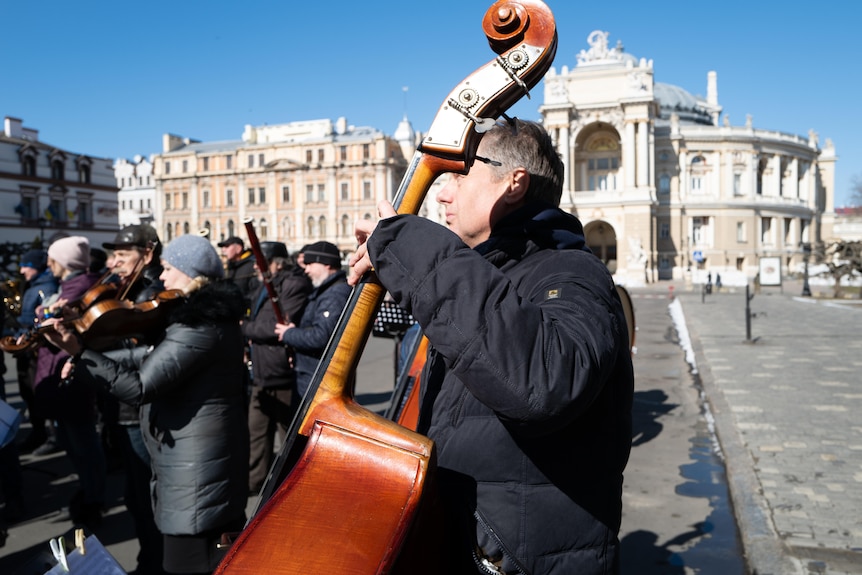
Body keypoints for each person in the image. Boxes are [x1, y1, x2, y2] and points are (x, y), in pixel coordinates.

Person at [348, 119, 634, 574]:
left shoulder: (573, 273)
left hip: (516, 560)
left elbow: (543, 383)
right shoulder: (492, 273)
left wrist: (416, 247)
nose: (442, 193)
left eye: (459, 175)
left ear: (513, 183)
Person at [46, 234, 250, 575]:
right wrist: (94, 357)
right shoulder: (205, 320)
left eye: (169, 269)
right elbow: (152, 355)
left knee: (187, 564)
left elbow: (141, 386)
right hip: (202, 462)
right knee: (213, 559)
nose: (163, 277)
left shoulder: (198, 325)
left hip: (196, 470)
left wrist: (80, 354)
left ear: (192, 273)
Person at [100, 223, 166, 574]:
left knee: (145, 495)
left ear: (147, 253)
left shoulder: (149, 293)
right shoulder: (125, 288)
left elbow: (147, 356)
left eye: (122, 254)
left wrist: (90, 355)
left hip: (137, 408)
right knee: (135, 494)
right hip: (122, 405)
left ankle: (152, 563)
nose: (115, 262)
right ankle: (149, 559)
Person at [34, 236, 106, 527]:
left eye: (52, 259)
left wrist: (45, 318)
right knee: (75, 439)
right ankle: (89, 494)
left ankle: (93, 498)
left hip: (70, 373)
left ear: (63, 262)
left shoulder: (78, 289)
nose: (48, 265)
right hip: (64, 372)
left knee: (83, 442)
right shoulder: (68, 288)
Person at [242, 241, 312, 493]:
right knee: (257, 432)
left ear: (276, 263)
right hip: (261, 369)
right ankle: (255, 482)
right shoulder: (264, 284)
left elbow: (275, 327)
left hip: (281, 370)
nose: (255, 267)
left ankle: (293, 485)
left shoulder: (293, 284)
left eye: (261, 261)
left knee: (288, 434)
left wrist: (245, 329)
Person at [274, 241, 351, 398]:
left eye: (310, 264)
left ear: (326, 264)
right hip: (311, 373)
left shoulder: (335, 294)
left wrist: (289, 334)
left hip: (317, 378)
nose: (306, 270)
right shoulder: (326, 290)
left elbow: (321, 337)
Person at [13, 248, 60, 454]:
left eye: (26, 265)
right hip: (26, 347)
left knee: (41, 392)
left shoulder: (45, 287)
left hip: (36, 349)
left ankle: (51, 436)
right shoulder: (33, 285)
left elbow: (46, 320)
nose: (22, 270)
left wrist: (29, 335)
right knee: (29, 392)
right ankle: (39, 432)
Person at [218, 236, 258, 314]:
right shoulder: (230, 266)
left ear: (238, 248)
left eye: (227, 246)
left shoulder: (252, 266)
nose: (223, 250)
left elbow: (254, 293)